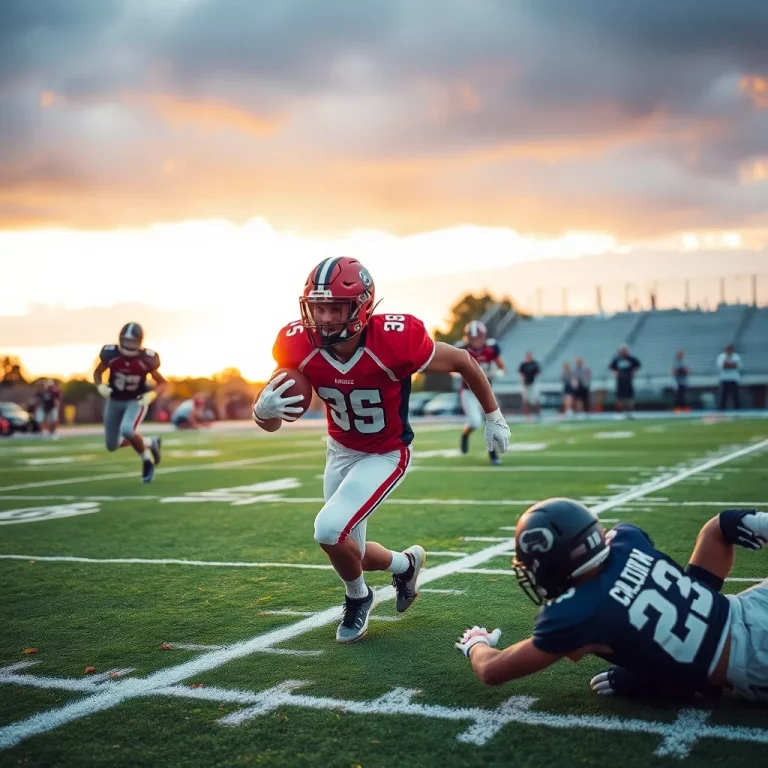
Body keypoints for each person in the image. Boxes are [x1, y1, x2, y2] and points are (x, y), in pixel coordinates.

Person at [253, 257, 511, 643]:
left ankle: (358, 597)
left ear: (361, 306)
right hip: (339, 450)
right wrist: (262, 411)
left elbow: (462, 360)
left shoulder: (395, 339)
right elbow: (273, 422)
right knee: (348, 549)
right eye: (317, 306)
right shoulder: (295, 344)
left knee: (327, 529)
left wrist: (492, 416)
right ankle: (406, 565)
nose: (323, 318)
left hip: (385, 453)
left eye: (335, 307)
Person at [455, 497, 768, 705]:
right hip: (750, 607)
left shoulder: (576, 612)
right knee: (719, 525)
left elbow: (493, 670)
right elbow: (692, 597)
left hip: (754, 656)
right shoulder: (628, 539)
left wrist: (476, 644)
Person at [93, 323, 166, 483]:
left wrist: (153, 394)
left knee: (127, 430)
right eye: (126, 341)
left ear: (139, 342)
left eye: (132, 342)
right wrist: (100, 386)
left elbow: (162, 382)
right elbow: (98, 372)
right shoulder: (111, 355)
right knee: (112, 445)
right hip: (114, 400)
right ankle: (150, 442)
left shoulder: (146, 359)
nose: (129, 345)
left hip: (135, 401)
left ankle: (147, 461)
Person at [455, 320, 508, 464]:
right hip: (468, 391)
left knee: (493, 421)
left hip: (485, 391)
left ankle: (493, 454)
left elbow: (502, 367)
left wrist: (497, 373)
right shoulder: (462, 350)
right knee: (475, 422)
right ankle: (465, 435)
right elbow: (451, 367)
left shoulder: (490, 349)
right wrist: (457, 372)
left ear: (484, 336)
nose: (476, 341)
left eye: (478, 337)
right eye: (472, 338)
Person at [609, 344, 641, 418]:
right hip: (620, 381)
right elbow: (611, 367)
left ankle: (629, 412)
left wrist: (633, 371)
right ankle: (619, 412)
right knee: (619, 397)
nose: (623, 351)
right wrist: (616, 372)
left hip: (628, 380)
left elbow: (638, 365)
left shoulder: (631, 359)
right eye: (622, 350)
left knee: (629, 397)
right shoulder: (617, 359)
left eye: (625, 350)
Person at [717, 344, 742, 411]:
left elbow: (738, 366)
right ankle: (721, 412)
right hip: (724, 379)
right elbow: (723, 366)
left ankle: (738, 412)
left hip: (734, 379)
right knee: (723, 398)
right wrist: (732, 365)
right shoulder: (721, 356)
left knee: (736, 397)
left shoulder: (736, 356)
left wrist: (728, 364)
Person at [518, 351, 541, 420]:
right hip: (525, 384)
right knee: (525, 400)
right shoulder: (523, 364)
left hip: (533, 384)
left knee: (535, 399)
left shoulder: (534, 364)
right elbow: (521, 373)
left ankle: (538, 414)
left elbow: (538, 373)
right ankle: (527, 416)